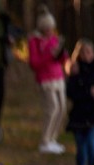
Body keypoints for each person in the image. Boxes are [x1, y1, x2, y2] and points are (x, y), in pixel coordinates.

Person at [28, 6, 68, 154]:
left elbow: (61, 58)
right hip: (45, 80)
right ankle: (45, 141)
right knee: (52, 108)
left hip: (59, 78)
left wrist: (61, 53)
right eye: (48, 28)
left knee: (62, 108)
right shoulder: (34, 41)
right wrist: (50, 55)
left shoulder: (54, 39)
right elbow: (34, 63)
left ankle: (53, 139)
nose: (51, 31)